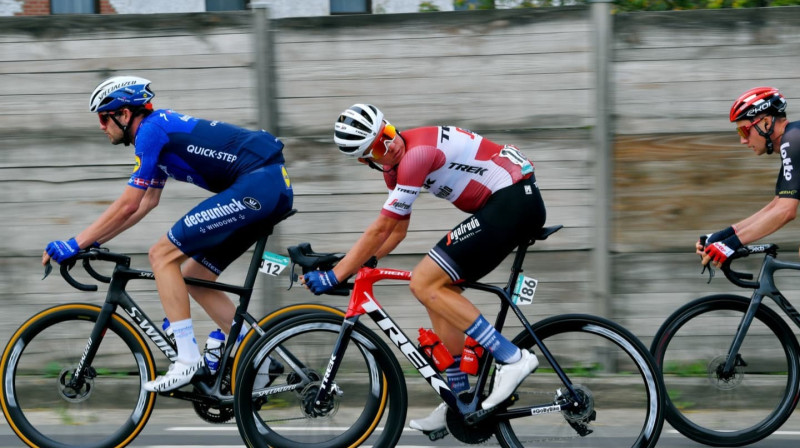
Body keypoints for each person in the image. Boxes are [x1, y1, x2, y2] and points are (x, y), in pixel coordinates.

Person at [301, 104, 546, 434]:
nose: (389, 144)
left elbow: (379, 229)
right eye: (378, 146)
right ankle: (460, 399)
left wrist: (336, 274)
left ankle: (512, 358)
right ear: (366, 160)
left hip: (513, 199)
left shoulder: (416, 155)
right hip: (507, 204)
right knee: (438, 292)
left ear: (390, 125)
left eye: (386, 133)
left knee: (423, 282)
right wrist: (364, 263)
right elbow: (397, 231)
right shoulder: (394, 171)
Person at [42, 75, 293, 392]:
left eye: (105, 117)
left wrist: (74, 243)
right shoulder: (156, 134)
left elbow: (128, 203)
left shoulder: (150, 131)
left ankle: (187, 358)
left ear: (125, 113)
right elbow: (145, 203)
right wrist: (90, 242)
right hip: (267, 186)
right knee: (193, 276)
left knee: (161, 254)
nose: (101, 126)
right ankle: (259, 355)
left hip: (259, 184)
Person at [699, 87, 798, 267]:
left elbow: (786, 212)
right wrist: (724, 236)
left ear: (766, 123)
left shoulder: (793, 140)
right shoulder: (793, 139)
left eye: (744, 131)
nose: (743, 140)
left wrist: (730, 245)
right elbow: (777, 205)